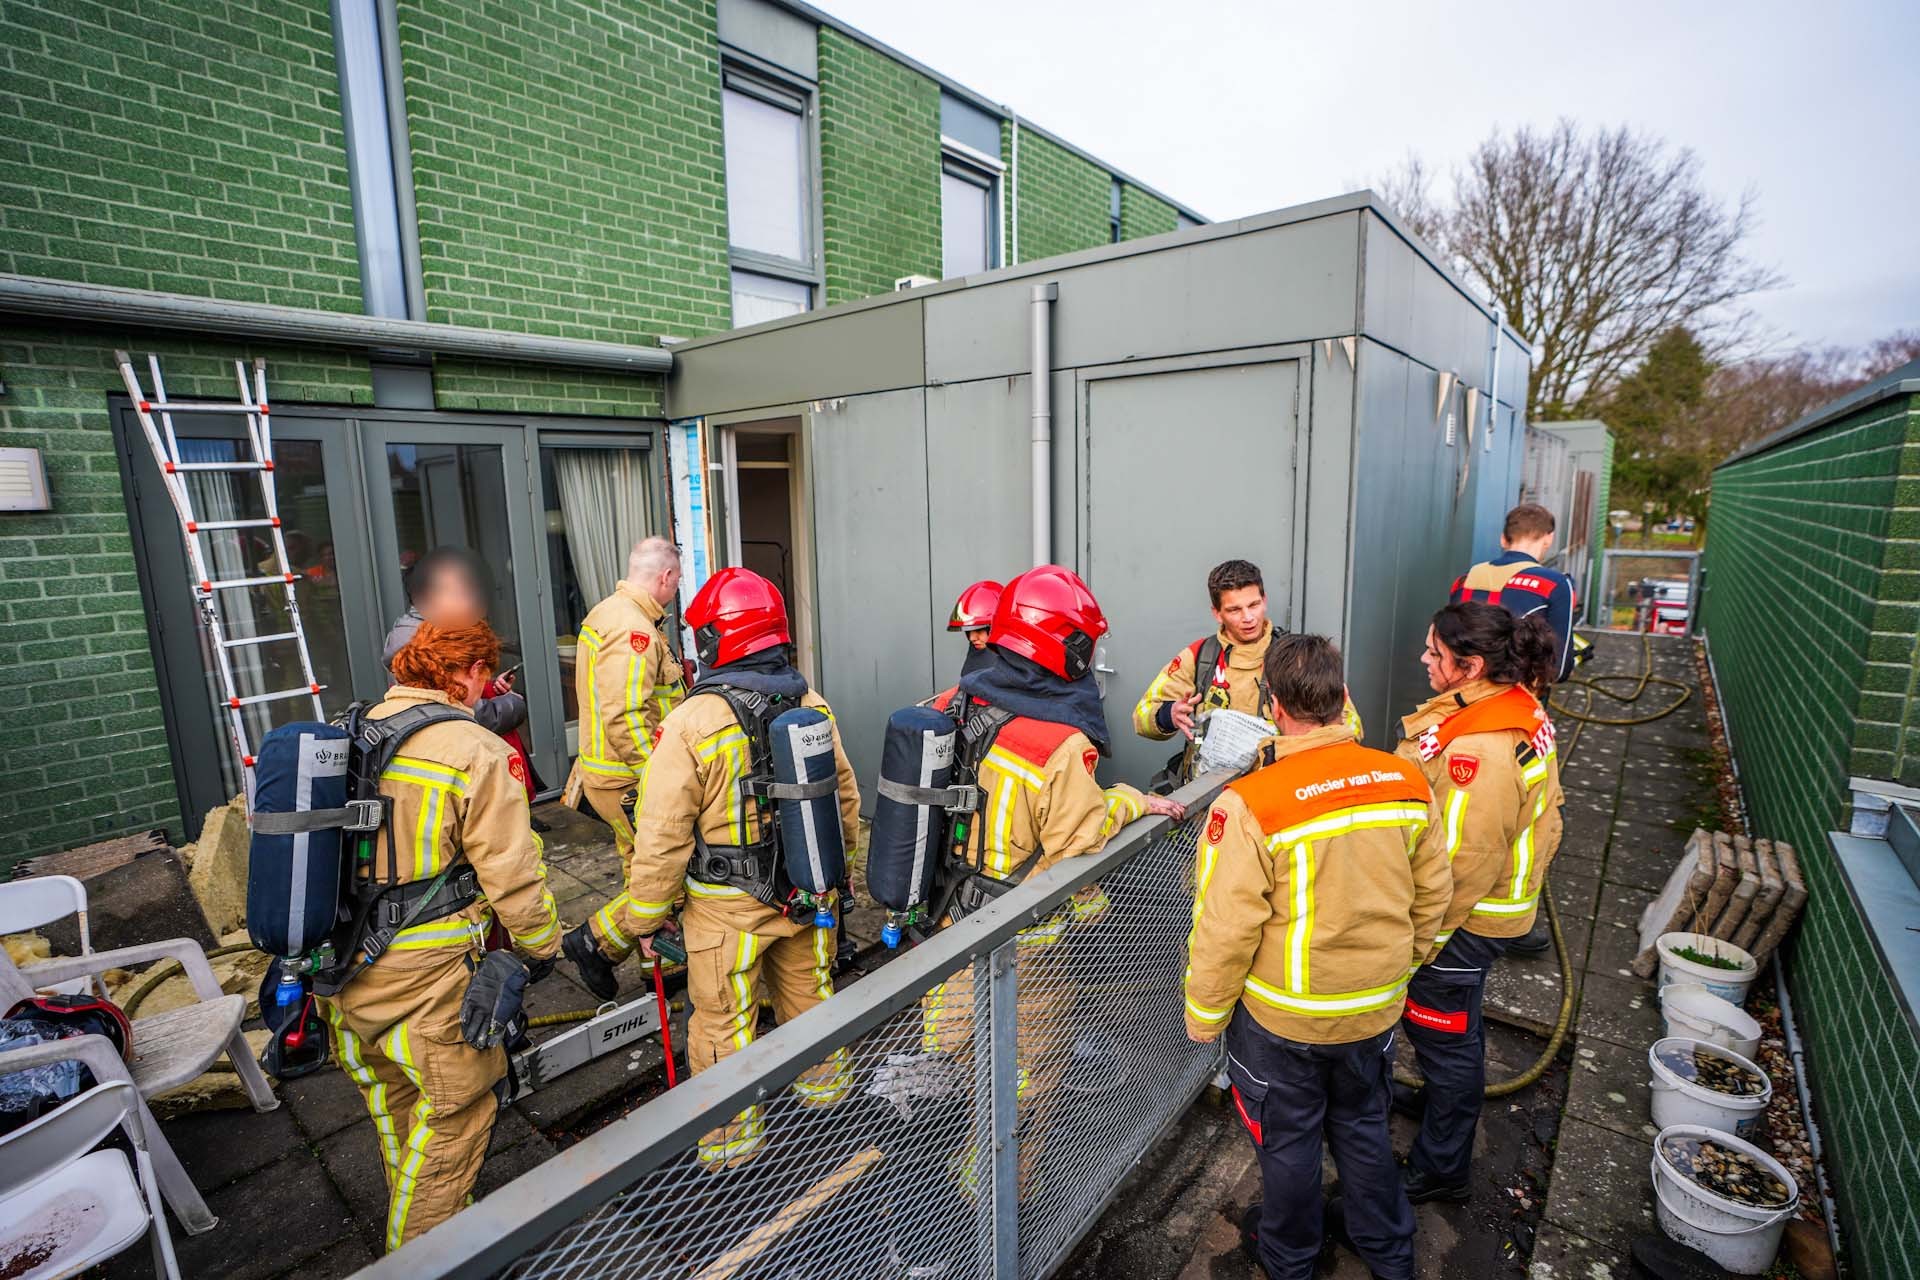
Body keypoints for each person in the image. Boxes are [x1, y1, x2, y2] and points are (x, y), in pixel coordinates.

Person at [562, 567, 862, 1170]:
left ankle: (731, 1153)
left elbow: (662, 833)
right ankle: (826, 1104)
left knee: (723, 1023)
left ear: (713, 642)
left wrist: (645, 915)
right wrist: (838, 872)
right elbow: (845, 799)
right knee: (812, 999)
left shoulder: (692, 723)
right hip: (806, 895)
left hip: (727, 912)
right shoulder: (811, 703)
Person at [1184, 632, 1449, 1279]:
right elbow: (1435, 895)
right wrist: (1400, 968)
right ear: (1343, 698)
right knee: (1363, 1126)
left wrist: (1204, 1015)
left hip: (1284, 1023)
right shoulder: (1405, 780)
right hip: (1375, 1012)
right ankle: (1389, 1253)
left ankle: (1290, 1259)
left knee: (1291, 1143)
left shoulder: (1251, 804)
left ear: (1274, 705)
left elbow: (1226, 929)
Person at [919, 565, 1183, 1181]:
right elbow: (1080, 838)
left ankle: (932, 1155)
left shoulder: (946, 704)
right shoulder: (1057, 745)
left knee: (955, 1048)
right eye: (1082, 645)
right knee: (1025, 1067)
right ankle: (991, 1192)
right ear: (1056, 644)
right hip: (1023, 938)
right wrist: (1130, 800)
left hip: (946, 919)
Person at [318, 620, 563, 1251]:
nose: (486, 686)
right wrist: (541, 948)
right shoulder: (473, 749)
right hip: (423, 978)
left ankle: (434, 1218)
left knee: (402, 1110)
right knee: (458, 1115)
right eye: (482, 671)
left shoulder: (354, 730)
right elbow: (512, 872)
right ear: (464, 673)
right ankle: (427, 1257)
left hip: (339, 966)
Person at [1392, 602, 1564, 1203]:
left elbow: (1464, 864)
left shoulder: (1481, 753)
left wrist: (1423, 943)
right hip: (1488, 910)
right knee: (1450, 1031)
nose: (1423, 659)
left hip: (1466, 918)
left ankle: (1441, 1166)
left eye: (1434, 653)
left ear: (1468, 666)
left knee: (1446, 1034)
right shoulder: (1507, 707)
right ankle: (1438, 1104)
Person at [1448, 504, 1576, 955]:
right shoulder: (1555, 583)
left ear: (1504, 540)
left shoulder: (1467, 578)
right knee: (1525, 813)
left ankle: (1451, 907)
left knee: (1458, 814)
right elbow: (1558, 664)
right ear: (1546, 540)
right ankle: (1504, 922)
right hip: (1514, 710)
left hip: (1459, 704)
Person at [564, 536, 689, 960]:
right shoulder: (632, 629)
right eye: (677, 582)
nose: (676, 592)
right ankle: (594, 944)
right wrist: (661, 774)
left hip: (615, 776)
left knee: (640, 866)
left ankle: (655, 963)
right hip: (628, 779)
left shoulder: (610, 613)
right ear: (666, 576)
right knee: (670, 866)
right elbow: (625, 714)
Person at [1133, 560, 1361, 786]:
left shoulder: (1294, 657)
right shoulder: (1200, 657)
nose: (1248, 618)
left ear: (1265, 600)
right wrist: (1169, 714)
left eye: (1254, 605)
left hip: (1278, 788)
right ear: (1217, 613)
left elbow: (1351, 726)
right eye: (1234, 610)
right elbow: (1141, 715)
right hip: (1208, 793)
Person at [946, 579, 1002, 675]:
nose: (972, 638)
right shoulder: (977, 651)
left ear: (996, 628)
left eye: (978, 631)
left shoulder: (1011, 669)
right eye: (969, 632)